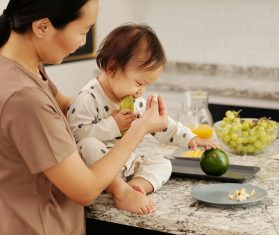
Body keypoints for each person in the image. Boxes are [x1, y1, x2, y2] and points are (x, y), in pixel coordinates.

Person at [0, 1, 170, 235]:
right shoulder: (24, 97)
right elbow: (86, 189)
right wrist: (138, 130)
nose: (83, 42)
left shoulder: (25, 67)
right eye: (83, 31)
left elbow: (65, 105)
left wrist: (102, 99)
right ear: (42, 27)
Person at [66, 23, 217, 211]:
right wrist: (113, 124)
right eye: (139, 83)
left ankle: (135, 186)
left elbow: (162, 126)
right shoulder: (88, 97)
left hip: (126, 166)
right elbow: (74, 136)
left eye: (146, 86)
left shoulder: (133, 100)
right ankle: (117, 189)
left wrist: (191, 138)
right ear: (112, 68)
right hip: (99, 169)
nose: (141, 92)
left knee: (163, 163)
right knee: (88, 145)